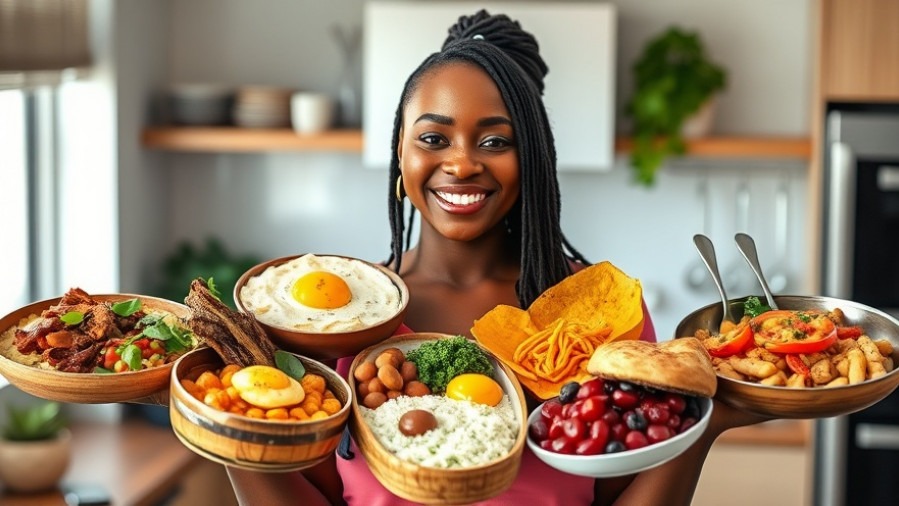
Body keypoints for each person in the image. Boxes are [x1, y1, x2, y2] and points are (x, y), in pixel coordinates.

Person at [227, 10, 764, 505]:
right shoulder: (331, 325)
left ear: (532, 158)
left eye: (494, 142)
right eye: (434, 136)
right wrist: (216, 425)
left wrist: (709, 422)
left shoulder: (604, 320)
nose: (460, 164)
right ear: (401, 154)